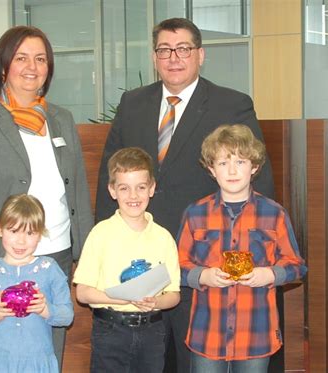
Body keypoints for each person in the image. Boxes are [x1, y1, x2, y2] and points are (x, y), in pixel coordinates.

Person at [95, 17, 275, 373]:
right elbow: (110, 172)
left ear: (200, 55)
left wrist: (250, 251)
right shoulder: (132, 103)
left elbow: (258, 178)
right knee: (149, 356)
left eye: (183, 49)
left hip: (205, 254)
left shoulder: (232, 103)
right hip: (140, 252)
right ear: (154, 56)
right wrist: (106, 239)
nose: (173, 57)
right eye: (164, 50)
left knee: (195, 356)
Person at [0, 25, 93, 369]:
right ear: (4, 66)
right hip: (4, 260)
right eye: (22, 58)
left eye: (41, 59)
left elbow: (76, 191)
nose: (32, 67)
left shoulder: (60, 118)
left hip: (56, 252)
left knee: (49, 347)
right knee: (9, 347)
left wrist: (88, 257)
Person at [177, 124, 307, 372]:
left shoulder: (274, 213)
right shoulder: (195, 214)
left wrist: (269, 274)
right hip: (208, 332)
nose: (232, 170)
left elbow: (297, 266)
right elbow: (176, 266)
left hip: (256, 333)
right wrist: (202, 275)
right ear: (211, 170)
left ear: (254, 167)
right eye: (223, 163)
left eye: (240, 161)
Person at [74, 147, 181, 373]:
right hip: (110, 330)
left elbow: (173, 295)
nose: (133, 196)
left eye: (141, 188)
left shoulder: (163, 237)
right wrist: (119, 298)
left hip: (152, 331)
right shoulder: (100, 234)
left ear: (151, 189)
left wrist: (156, 302)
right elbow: (82, 293)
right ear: (112, 190)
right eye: (124, 188)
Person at [0, 194, 74, 372]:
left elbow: (67, 316)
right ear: (0, 229)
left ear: (40, 234)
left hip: (37, 363)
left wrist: (45, 309)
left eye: (30, 233)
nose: (21, 241)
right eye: (13, 231)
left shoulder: (50, 269)